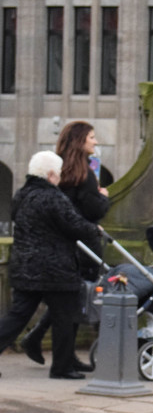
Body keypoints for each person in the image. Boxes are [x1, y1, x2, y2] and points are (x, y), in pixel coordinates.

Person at [0, 152, 101, 379]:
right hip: (55, 269)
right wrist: (94, 229)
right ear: (51, 174)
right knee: (64, 317)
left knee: (17, 315)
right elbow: (75, 225)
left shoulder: (21, 195)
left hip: (25, 266)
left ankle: (65, 363)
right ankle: (62, 367)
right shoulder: (53, 197)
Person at [19, 121, 110, 370]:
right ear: (81, 140)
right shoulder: (85, 173)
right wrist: (103, 199)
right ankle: (61, 357)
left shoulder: (58, 170)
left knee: (65, 302)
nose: (96, 141)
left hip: (59, 245)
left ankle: (45, 342)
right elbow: (92, 210)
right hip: (81, 245)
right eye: (92, 137)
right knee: (72, 300)